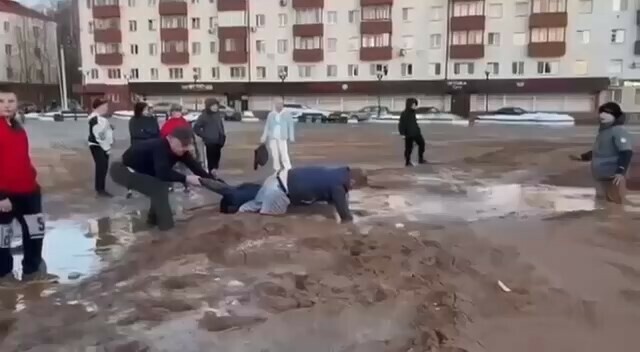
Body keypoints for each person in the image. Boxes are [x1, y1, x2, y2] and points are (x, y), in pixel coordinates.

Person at [0, 86, 58, 287]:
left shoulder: (16, 126)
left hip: (29, 192)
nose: (7, 106)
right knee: (3, 238)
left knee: (35, 233)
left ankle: (32, 271)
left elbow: (21, 157)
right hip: (5, 196)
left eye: (11, 101)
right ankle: (4, 275)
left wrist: (32, 176)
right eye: (1, 102)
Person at [110, 126, 217, 231]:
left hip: (140, 171)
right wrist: (186, 178)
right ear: (171, 139)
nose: (184, 149)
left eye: (187, 146)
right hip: (121, 169)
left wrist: (221, 186)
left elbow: (198, 169)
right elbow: (163, 173)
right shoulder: (159, 147)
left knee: (160, 186)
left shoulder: (181, 152)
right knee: (158, 188)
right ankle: (167, 229)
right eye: (182, 145)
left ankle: (153, 221)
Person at [201, 166, 368, 223]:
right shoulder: (338, 186)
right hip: (279, 192)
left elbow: (336, 202)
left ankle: (235, 212)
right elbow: (345, 216)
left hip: (276, 179)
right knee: (266, 220)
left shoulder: (336, 173)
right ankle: (233, 218)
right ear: (352, 182)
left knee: (256, 204)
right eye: (354, 188)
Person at [570, 102, 634, 204]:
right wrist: (584, 157)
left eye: (607, 113)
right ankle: (603, 219)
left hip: (613, 176)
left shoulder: (618, 131)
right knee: (603, 203)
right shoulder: (604, 131)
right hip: (601, 174)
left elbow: (626, 152)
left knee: (615, 204)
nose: (602, 115)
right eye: (601, 112)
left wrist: (620, 171)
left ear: (615, 116)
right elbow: (602, 150)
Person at [127, 102, 160, 198]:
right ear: (140, 110)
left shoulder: (152, 119)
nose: (147, 111)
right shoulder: (134, 120)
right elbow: (136, 134)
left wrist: (147, 132)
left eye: (148, 109)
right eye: (146, 109)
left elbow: (156, 132)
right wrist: (149, 133)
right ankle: (131, 189)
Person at [88, 98, 114, 197]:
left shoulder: (99, 118)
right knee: (101, 167)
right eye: (105, 106)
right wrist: (107, 148)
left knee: (103, 167)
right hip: (98, 145)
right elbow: (98, 135)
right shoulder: (95, 119)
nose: (107, 108)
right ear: (100, 107)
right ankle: (100, 189)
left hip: (99, 145)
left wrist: (109, 128)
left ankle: (100, 188)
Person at [260, 98, 295, 171]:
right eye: (278, 103)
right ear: (275, 104)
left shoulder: (286, 113)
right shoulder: (271, 114)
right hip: (272, 137)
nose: (279, 105)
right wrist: (264, 136)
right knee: (275, 154)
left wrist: (291, 136)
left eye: (281, 103)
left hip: (282, 137)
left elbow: (290, 125)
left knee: (284, 153)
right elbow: (267, 126)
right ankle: (277, 169)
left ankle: (288, 168)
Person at [194, 98, 226, 174]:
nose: (215, 107)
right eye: (213, 106)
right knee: (210, 160)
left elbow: (220, 126)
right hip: (210, 142)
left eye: (216, 106)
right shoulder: (204, 116)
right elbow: (196, 128)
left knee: (216, 159)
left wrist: (223, 136)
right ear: (208, 106)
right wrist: (205, 136)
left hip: (219, 141)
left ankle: (214, 173)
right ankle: (210, 175)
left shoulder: (217, 114)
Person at [398, 97, 426, 167]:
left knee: (422, 144)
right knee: (408, 148)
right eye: (414, 104)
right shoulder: (404, 113)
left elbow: (414, 123)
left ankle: (421, 158)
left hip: (416, 133)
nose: (415, 106)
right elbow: (401, 124)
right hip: (408, 134)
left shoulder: (413, 113)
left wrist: (418, 129)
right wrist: (402, 133)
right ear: (409, 105)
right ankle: (407, 162)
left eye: (415, 104)